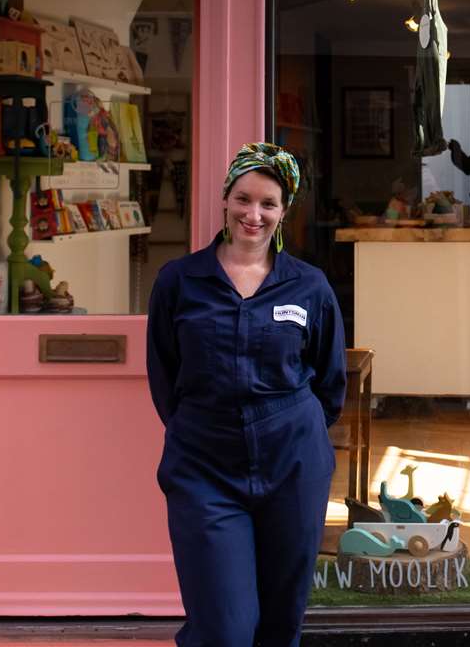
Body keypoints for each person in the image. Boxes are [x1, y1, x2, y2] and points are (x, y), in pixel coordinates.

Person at [147, 142, 346, 647]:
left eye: (268, 203)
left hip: (293, 465)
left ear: (284, 211)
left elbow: (329, 381)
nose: (252, 215)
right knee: (225, 629)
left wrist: (286, 429)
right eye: (243, 198)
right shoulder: (180, 281)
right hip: (204, 468)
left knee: (280, 624)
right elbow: (164, 375)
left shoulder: (310, 287)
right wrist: (207, 426)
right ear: (225, 199)